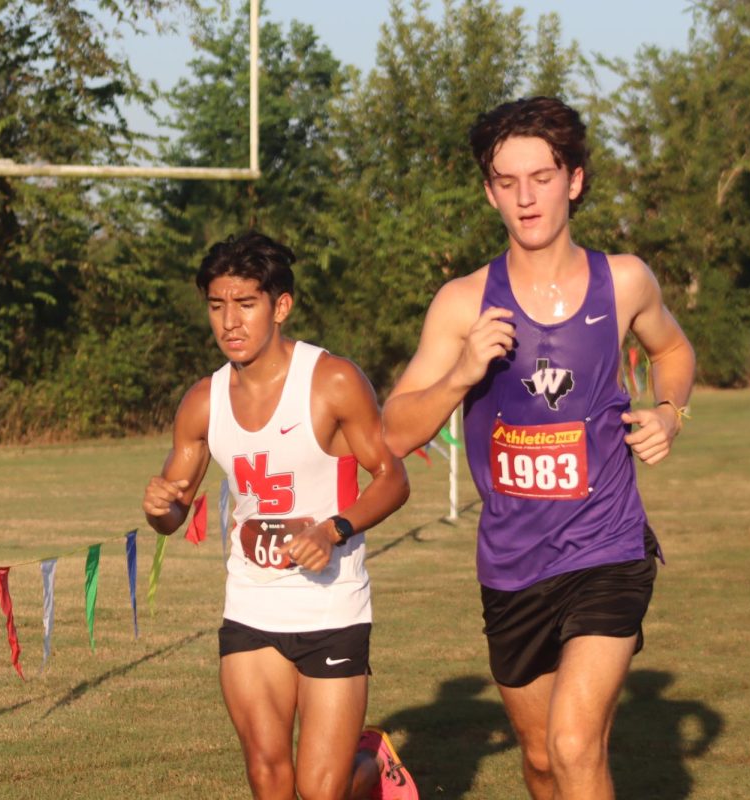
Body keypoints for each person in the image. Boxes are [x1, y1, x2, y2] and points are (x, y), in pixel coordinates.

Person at [382, 97, 696, 800]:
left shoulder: (624, 281)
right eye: (507, 181)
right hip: (512, 565)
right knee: (543, 762)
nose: (526, 198)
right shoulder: (463, 303)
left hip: (607, 548)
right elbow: (394, 432)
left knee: (575, 742)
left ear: (574, 179)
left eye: (542, 176)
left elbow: (673, 347)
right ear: (489, 190)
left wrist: (671, 412)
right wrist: (463, 372)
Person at [143, 232, 416, 800]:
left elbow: (393, 479)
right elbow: (173, 514)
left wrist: (335, 528)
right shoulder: (203, 401)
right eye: (217, 306)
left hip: (332, 606)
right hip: (252, 604)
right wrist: (160, 509)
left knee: (323, 792)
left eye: (245, 304)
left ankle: (370, 770)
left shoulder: (333, 380)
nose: (229, 322)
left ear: (281, 306)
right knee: (268, 778)